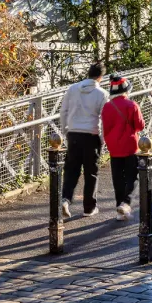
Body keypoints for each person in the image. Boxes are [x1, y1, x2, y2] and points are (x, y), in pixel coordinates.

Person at [59, 62, 108, 217]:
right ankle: (89, 207)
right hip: (91, 136)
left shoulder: (72, 89)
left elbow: (63, 111)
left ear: (88, 73)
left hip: (73, 134)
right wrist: (102, 138)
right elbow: (104, 118)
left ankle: (66, 199)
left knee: (71, 170)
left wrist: (65, 131)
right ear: (101, 77)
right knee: (91, 173)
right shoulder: (102, 94)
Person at [101, 73, 146, 221]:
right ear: (126, 90)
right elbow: (140, 126)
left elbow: (105, 128)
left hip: (114, 147)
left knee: (118, 179)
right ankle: (126, 203)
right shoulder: (132, 105)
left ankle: (119, 211)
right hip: (130, 146)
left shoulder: (107, 107)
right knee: (133, 177)